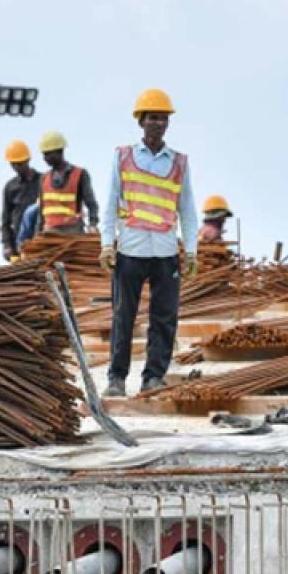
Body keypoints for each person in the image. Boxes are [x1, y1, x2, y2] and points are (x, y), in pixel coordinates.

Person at [100, 88, 199, 397]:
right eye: (152, 118)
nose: (157, 123)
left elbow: (187, 209)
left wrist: (192, 250)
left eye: (162, 118)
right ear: (140, 122)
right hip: (131, 248)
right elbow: (110, 202)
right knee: (123, 316)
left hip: (165, 251)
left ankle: (153, 376)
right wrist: (107, 244)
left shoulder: (179, 163)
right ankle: (117, 377)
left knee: (164, 318)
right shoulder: (123, 157)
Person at [37, 131, 99, 235]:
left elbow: (91, 204)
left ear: (59, 152)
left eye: (48, 154)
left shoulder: (80, 174)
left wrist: (93, 224)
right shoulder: (44, 179)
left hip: (72, 233)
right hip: (49, 235)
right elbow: (41, 211)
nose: (44, 158)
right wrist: (38, 232)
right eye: (44, 154)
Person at [0, 140, 41, 262]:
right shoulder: (10, 187)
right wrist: (7, 245)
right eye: (13, 164)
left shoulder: (43, 181)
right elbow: (5, 220)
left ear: (28, 160)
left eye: (20, 164)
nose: (16, 167)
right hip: (19, 245)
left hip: (40, 240)